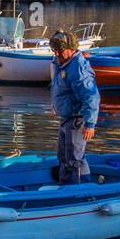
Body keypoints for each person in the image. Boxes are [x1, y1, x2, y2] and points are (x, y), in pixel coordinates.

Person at [49, 30, 99, 184]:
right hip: (65, 118)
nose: (56, 53)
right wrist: (55, 105)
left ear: (71, 49)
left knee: (74, 158)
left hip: (76, 120)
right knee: (63, 156)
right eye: (54, 50)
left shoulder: (77, 68)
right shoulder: (62, 63)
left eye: (60, 50)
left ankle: (81, 189)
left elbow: (90, 95)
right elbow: (59, 87)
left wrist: (90, 124)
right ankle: (65, 186)